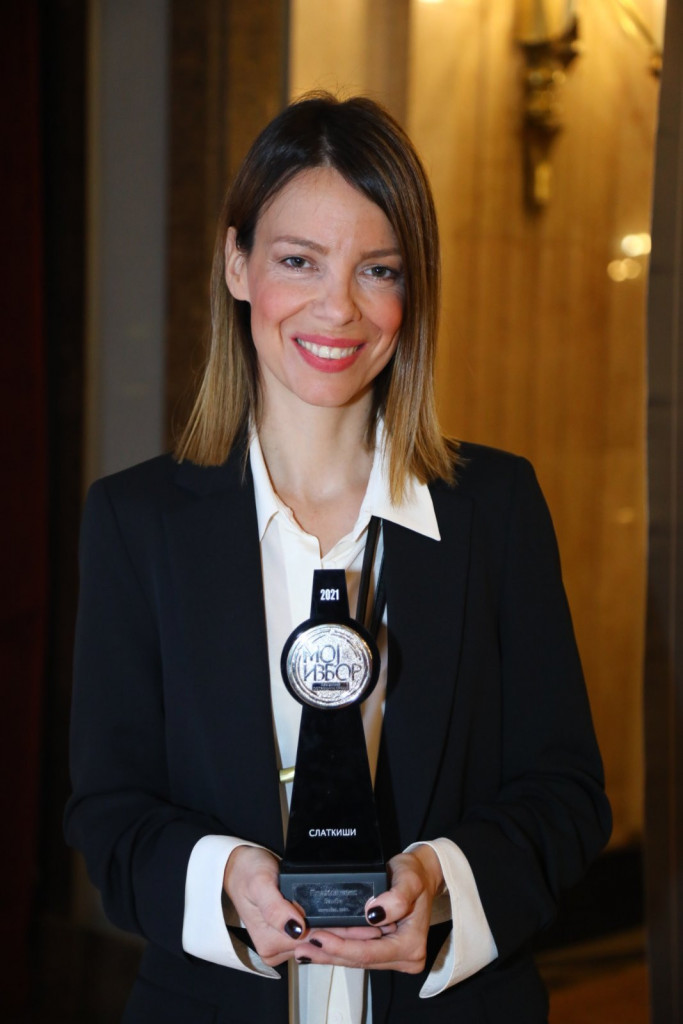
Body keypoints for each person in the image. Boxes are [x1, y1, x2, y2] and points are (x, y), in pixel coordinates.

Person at [65, 93, 611, 1023]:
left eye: (378, 270)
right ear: (236, 265)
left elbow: (563, 795)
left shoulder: (495, 510)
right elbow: (109, 812)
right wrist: (225, 879)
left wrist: (441, 884)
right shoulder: (135, 522)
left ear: (411, 290)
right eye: (298, 261)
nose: (338, 307)